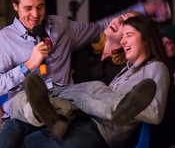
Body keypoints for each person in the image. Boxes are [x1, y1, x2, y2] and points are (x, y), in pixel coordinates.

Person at [0, 0, 171, 147]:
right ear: (15, 6)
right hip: (21, 112)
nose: (35, 14)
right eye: (28, 8)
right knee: (23, 109)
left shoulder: (62, 27)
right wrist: (27, 66)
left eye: (40, 6)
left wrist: (145, 8)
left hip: (65, 107)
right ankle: (40, 111)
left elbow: (100, 26)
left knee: (89, 88)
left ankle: (112, 109)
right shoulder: (5, 39)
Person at [20, 15, 171, 148]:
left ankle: (52, 98)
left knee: (94, 87)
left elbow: (155, 113)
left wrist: (122, 106)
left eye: (129, 35)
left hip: (101, 132)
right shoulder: (126, 69)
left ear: (146, 39)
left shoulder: (156, 67)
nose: (123, 41)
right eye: (122, 36)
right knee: (25, 139)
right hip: (85, 121)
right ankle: (53, 107)